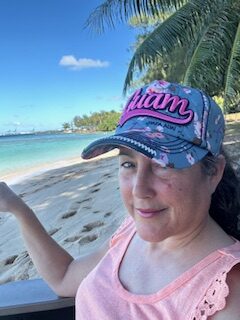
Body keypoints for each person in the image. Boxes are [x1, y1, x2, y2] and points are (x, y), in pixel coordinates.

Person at [1, 80, 240, 319]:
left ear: (213, 173)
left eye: (163, 164)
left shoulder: (225, 297)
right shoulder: (132, 231)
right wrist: (16, 207)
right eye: (128, 164)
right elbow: (65, 277)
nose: (139, 190)